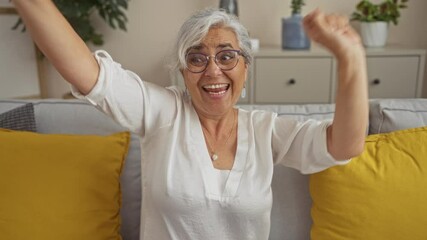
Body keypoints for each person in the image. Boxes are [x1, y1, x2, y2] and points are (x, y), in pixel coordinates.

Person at [12, 1, 368, 239]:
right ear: (183, 71)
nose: (213, 70)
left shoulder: (266, 130)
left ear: (246, 67)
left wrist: (351, 57)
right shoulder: (162, 112)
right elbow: (88, 74)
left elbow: (344, 145)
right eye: (197, 59)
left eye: (227, 56)